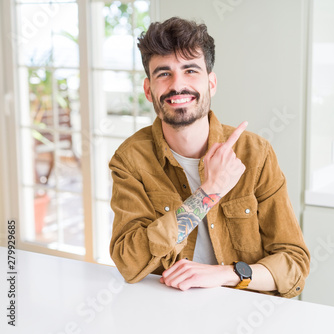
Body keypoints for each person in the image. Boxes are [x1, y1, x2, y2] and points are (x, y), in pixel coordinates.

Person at [109, 17, 310, 298]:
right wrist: (209, 192)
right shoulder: (130, 160)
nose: (177, 85)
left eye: (190, 70)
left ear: (211, 83)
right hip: (165, 311)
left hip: (246, 313)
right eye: (163, 73)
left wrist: (225, 274)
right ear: (148, 90)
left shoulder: (256, 154)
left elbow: (294, 264)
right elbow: (129, 262)